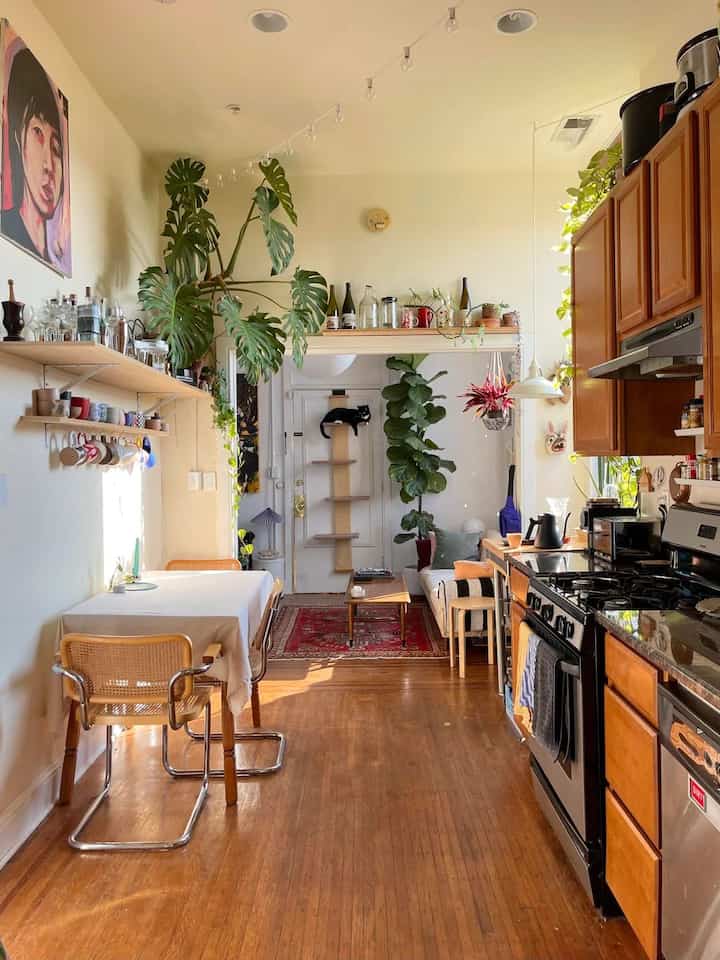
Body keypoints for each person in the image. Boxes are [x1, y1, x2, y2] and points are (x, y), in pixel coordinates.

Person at [2, 46, 65, 265]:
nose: (49, 164)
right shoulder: (6, 225)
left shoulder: (55, 256)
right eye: (37, 133)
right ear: (18, 139)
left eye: (57, 148)